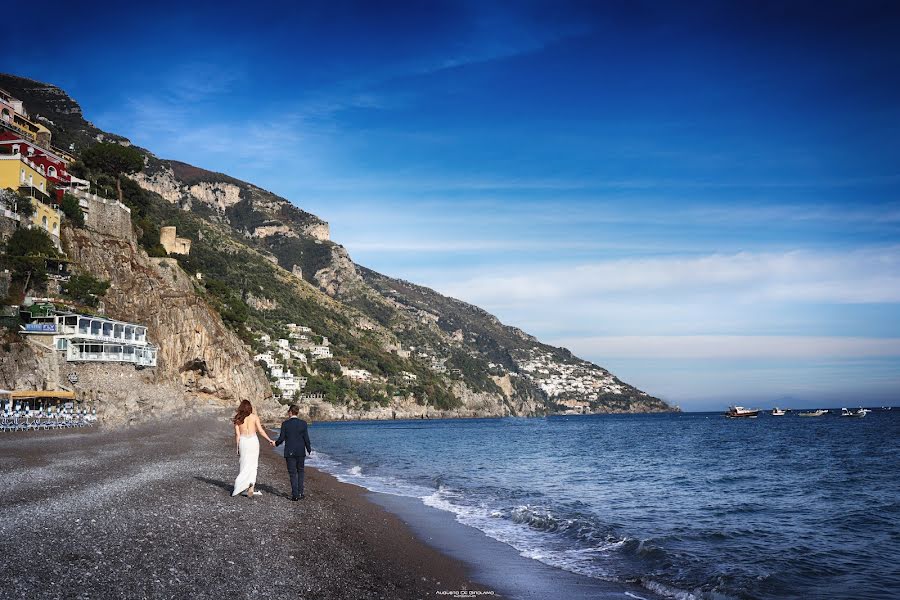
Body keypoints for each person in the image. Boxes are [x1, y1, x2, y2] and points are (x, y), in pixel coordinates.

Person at [232, 399, 275, 498]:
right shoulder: (254, 417)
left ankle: (242, 485)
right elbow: (260, 430)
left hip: (243, 441)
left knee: (243, 463)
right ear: (250, 407)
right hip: (253, 441)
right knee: (253, 464)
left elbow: (237, 435)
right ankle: (251, 486)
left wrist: (237, 447)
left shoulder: (237, 419)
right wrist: (269, 440)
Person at [274, 404, 312, 501]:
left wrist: (276, 444)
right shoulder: (303, 423)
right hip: (300, 451)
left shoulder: (285, 424)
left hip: (290, 451)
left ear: (290, 412)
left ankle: (295, 495)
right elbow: (306, 438)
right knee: (301, 471)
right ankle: (300, 492)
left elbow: (281, 438)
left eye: (288, 412)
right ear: (297, 412)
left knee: (292, 473)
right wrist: (308, 448)